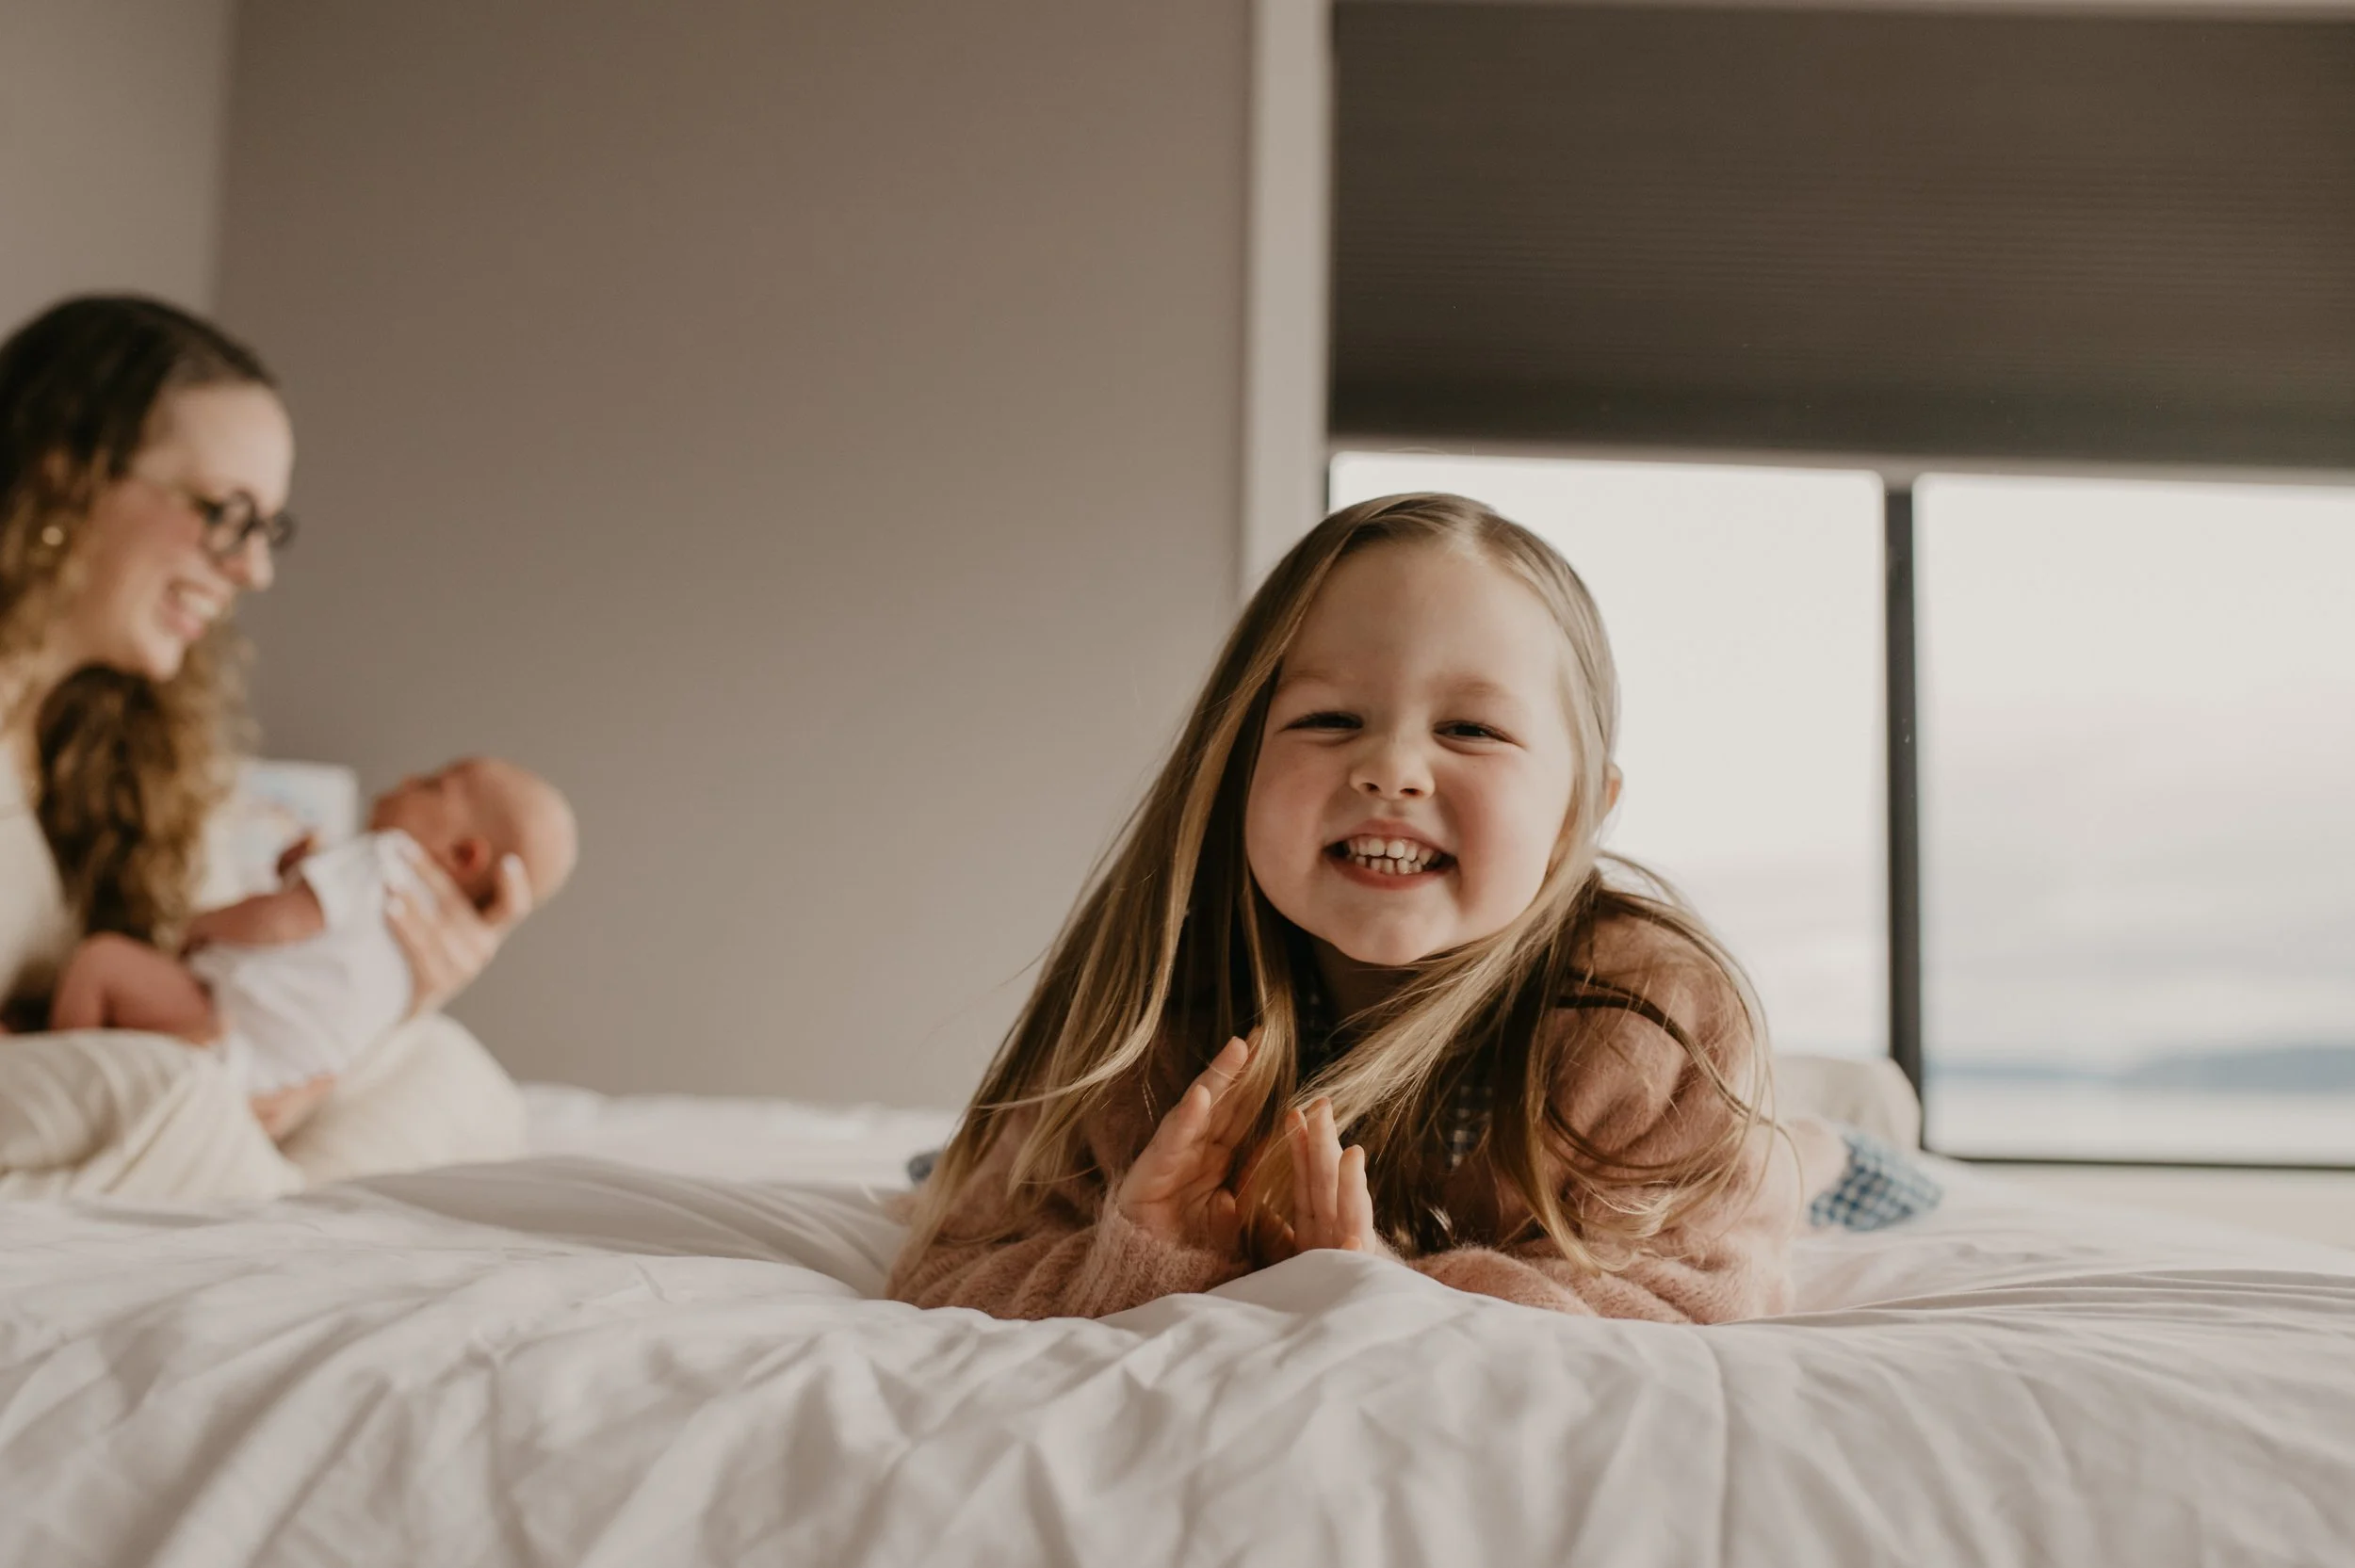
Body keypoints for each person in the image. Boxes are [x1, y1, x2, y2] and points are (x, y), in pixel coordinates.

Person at [892, 493, 1843, 1320]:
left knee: (1801, 1161)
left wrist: (1385, 1287)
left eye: (1470, 729)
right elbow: (950, 1267)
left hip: (1707, 1141)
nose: (1390, 769)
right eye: (1328, 719)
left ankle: (1839, 1127)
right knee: (941, 1172)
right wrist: (1148, 1255)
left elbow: (1696, 1291)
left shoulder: (1649, 1020)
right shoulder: (1156, 1009)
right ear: (1235, 773)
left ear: (1576, 812)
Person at [0, 294, 529, 1157]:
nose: (253, 569)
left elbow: (216, 974)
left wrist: (389, 982)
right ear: (67, 475)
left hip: (150, 1083)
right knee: (175, 1101)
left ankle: (258, 1193)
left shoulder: (139, 748)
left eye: (266, 527)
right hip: (88, 1097)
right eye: (226, 515)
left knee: (442, 1064)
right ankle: (255, 1195)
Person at [52, 757, 575, 1115]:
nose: (412, 777)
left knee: (100, 963)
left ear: (464, 856)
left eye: (435, 784)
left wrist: (196, 925)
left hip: (219, 1020)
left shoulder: (383, 859)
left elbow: (275, 925)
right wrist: (300, 878)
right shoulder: (421, 960)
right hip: (271, 1085)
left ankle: (48, 1069)